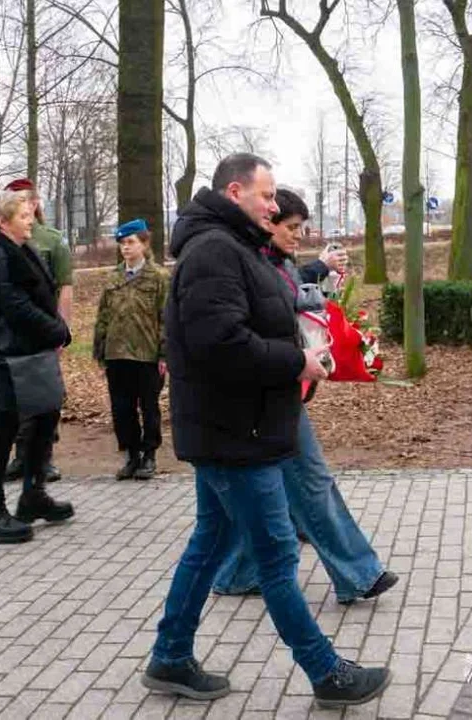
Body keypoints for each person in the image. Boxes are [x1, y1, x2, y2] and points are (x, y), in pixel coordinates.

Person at [141, 154, 391, 708]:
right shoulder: (213, 253)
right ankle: (327, 672)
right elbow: (221, 345)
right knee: (277, 557)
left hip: (239, 426)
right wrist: (295, 361)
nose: (276, 205)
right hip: (235, 433)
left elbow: (249, 321)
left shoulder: (234, 246)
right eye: (268, 195)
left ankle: (170, 656)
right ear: (236, 192)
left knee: (210, 544)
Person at [211, 188, 398, 604]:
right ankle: (358, 574)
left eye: (300, 227)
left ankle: (236, 572)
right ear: (267, 223)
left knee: (269, 492)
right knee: (311, 483)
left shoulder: (275, 263)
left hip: (277, 391)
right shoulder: (249, 264)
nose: (297, 234)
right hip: (269, 393)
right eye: (290, 227)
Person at [0, 191, 75, 544]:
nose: (31, 220)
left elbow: (40, 295)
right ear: (3, 221)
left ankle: (33, 494)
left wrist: (53, 330)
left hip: (31, 354)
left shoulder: (20, 249)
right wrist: (58, 329)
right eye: (24, 216)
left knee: (44, 423)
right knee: (3, 435)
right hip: (3, 359)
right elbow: (15, 307)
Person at [2, 177, 74, 485]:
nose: (21, 206)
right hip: (12, 334)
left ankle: (44, 459)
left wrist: (61, 328)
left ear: (34, 203)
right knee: (16, 397)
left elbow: (65, 287)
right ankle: (21, 457)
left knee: (45, 397)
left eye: (24, 199)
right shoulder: (2, 242)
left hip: (43, 330)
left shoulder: (51, 240)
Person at [93, 219, 168, 480]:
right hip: (117, 353)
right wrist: (100, 349)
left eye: (131, 242)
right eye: (122, 243)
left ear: (144, 244)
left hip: (146, 354)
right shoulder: (114, 277)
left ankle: (150, 455)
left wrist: (164, 354)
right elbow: (103, 315)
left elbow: (165, 317)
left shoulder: (158, 277)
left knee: (149, 406)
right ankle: (132, 455)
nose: (126, 248)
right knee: (122, 408)